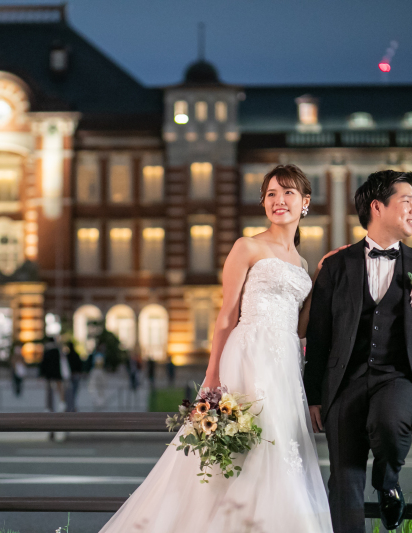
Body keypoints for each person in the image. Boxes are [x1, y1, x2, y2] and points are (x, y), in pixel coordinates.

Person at [99, 165, 333, 532]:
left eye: (288, 193)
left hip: (285, 363)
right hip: (250, 352)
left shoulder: (302, 263)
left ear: (305, 202)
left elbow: (300, 328)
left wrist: (321, 277)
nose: (278, 201)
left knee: (278, 449)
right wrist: (211, 376)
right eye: (271, 194)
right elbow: (226, 316)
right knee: (244, 446)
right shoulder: (248, 246)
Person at [305, 170, 412, 532]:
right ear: (377, 207)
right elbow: (318, 337)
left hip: (399, 378)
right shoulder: (335, 267)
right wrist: (314, 395)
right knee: (344, 481)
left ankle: (388, 483)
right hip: (345, 382)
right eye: (407, 201)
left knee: (390, 425)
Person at [39, 336, 64, 412]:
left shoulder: (47, 350)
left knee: (49, 391)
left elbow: (43, 363)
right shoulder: (58, 350)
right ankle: (62, 403)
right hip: (57, 373)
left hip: (49, 374)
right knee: (60, 389)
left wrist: (41, 374)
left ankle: (49, 407)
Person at [64, 340, 83, 412]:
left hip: (70, 375)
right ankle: (73, 407)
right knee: (74, 392)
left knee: (69, 392)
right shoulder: (76, 355)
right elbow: (80, 365)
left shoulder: (68, 356)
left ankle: (70, 407)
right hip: (75, 375)